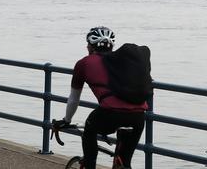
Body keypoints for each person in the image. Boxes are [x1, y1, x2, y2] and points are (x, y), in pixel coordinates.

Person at [53, 26, 148, 169]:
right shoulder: (123, 61)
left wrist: (66, 120)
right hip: (138, 116)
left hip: (109, 115)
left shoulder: (84, 63)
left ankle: (89, 165)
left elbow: (74, 98)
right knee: (124, 161)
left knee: (89, 131)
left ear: (90, 46)